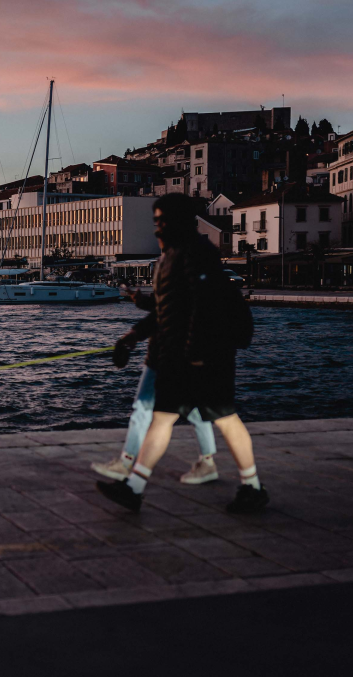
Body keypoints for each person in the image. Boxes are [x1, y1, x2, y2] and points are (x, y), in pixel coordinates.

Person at [96, 193, 267, 514]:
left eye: (162, 221)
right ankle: (134, 487)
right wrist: (133, 336)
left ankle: (253, 486)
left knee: (226, 420)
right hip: (179, 357)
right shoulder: (169, 258)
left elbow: (203, 308)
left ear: (179, 221)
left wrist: (194, 356)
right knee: (163, 418)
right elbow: (167, 312)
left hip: (205, 358)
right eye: (155, 221)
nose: (157, 227)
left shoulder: (197, 254)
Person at [91, 283, 219, 484]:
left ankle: (127, 465)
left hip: (165, 355)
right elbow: (167, 308)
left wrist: (135, 333)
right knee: (193, 409)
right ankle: (208, 462)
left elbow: (167, 311)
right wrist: (141, 302)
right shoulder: (181, 264)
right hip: (179, 354)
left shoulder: (175, 263)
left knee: (144, 408)